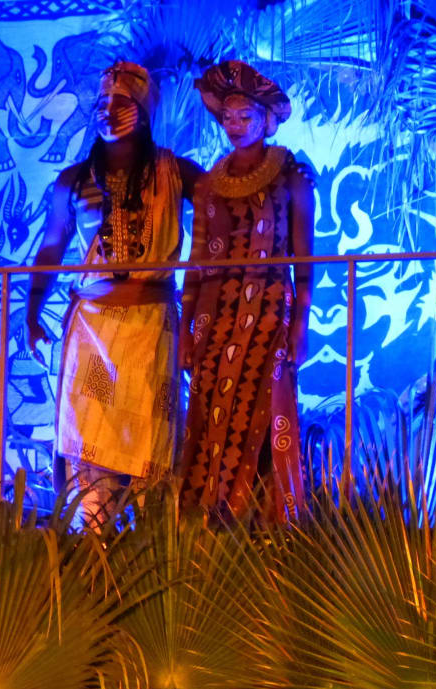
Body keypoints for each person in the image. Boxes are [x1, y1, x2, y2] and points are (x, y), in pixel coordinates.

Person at [26, 62, 201, 529]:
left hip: (151, 327)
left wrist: (282, 177)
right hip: (93, 329)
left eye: (121, 103)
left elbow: (225, 200)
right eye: (101, 103)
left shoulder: (175, 172)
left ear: (143, 112)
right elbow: (51, 247)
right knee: (91, 440)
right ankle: (94, 550)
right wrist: (31, 314)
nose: (107, 111)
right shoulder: (73, 180)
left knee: (148, 444)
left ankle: (151, 548)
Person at [179, 60, 313, 523]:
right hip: (215, 317)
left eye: (245, 117)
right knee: (210, 413)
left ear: (266, 119)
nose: (234, 126)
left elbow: (304, 260)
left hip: (270, 309)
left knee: (265, 411)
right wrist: (186, 330)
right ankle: (209, 522)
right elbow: (197, 262)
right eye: (227, 117)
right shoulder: (209, 185)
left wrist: (300, 325)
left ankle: (268, 525)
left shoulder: (290, 176)